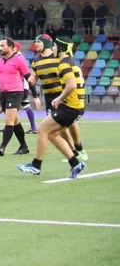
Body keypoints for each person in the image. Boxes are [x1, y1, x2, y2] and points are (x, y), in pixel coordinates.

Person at [17, 34, 88, 179]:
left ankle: (36, 165)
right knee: (52, 133)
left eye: (55, 46)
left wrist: (60, 98)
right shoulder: (70, 61)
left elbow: (71, 85)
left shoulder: (63, 63)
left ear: (60, 48)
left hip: (69, 105)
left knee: (42, 130)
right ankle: (75, 163)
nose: (53, 48)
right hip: (74, 105)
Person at [0, 37, 31, 156]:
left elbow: (28, 76)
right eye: (0, 46)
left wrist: (34, 94)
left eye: (3, 46)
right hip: (3, 94)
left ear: (11, 47)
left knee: (9, 120)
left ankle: (2, 146)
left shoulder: (19, 60)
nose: (0, 48)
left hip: (16, 93)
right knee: (15, 121)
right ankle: (24, 146)